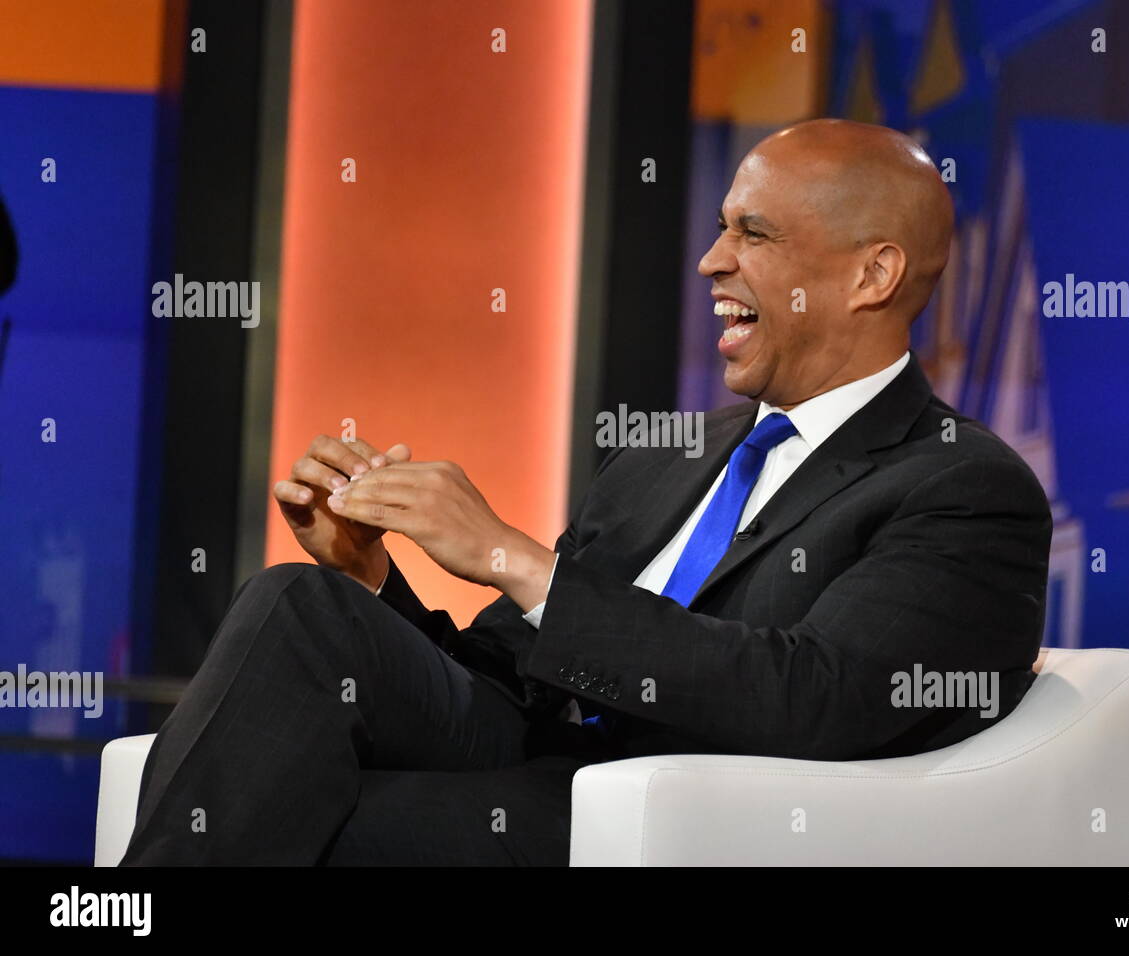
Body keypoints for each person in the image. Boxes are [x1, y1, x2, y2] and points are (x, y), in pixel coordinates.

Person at [120, 119, 1051, 866]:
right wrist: (372, 581)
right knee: (302, 603)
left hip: (662, 812)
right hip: (533, 759)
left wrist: (508, 556)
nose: (712, 262)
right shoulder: (667, 458)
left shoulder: (960, 486)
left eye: (752, 233)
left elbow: (818, 700)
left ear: (871, 274)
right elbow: (502, 674)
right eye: (723, 226)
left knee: (295, 815)